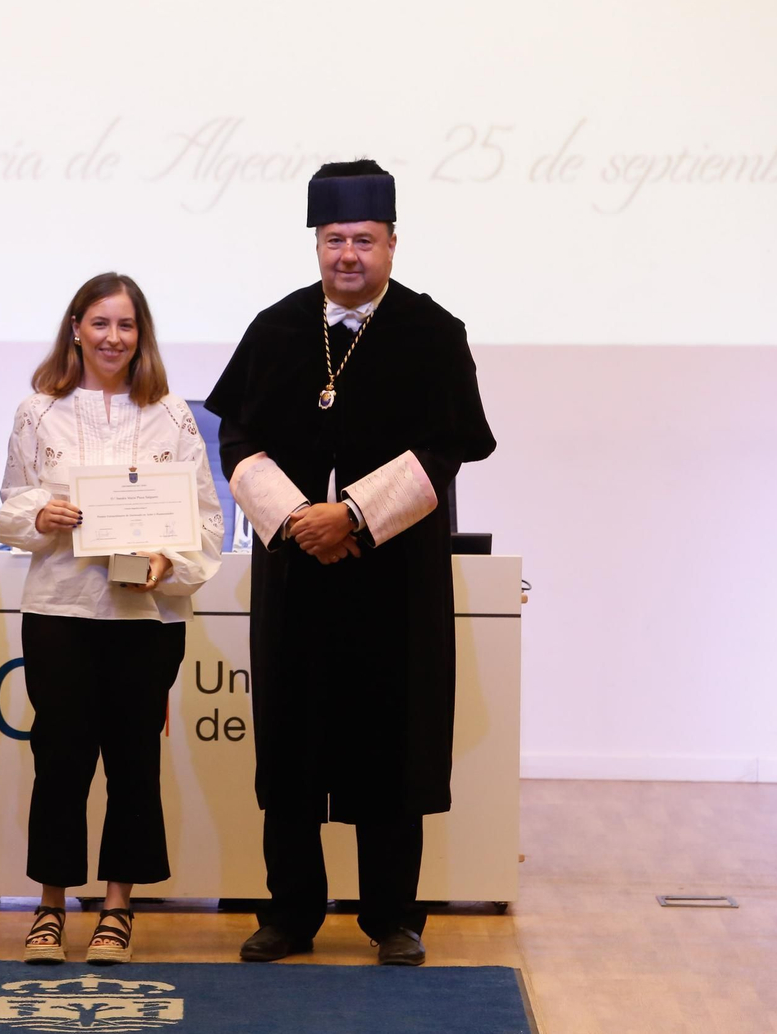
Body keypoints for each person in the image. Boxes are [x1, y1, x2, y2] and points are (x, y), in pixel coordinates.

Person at [204, 159, 496, 966]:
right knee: (292, 739)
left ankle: (393, 917)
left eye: (364, 240)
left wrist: (357, 518)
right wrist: (298, 518)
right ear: (317, 243)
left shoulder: (433, 334)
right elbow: (235, 438)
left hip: (393, 580)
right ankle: (289, 913)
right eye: (335, 240)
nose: (348, 256)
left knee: (391, 739)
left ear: (392, 243)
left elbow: (447, 449)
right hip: (297, 572)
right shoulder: (276, 329)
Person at [0, 272, 224, 964]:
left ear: (141, 334)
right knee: (59, 762)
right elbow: (6, 510)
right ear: (75, 328)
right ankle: (50, 904)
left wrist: (170, 561)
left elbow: (207, 526)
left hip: (146, 618)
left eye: (126, 326)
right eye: (100, 323)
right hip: (60, 610)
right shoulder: (38, 412)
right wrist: (39, 515)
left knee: (134, 762)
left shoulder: (175, 417)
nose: (113, 338)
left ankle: (118, 908)